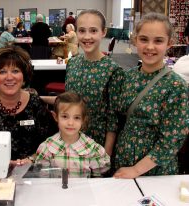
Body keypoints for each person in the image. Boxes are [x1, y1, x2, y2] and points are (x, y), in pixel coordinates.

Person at [113, 13, 188, 178]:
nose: (150, 47)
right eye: (144, 39)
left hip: (155, 170)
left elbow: (172, 140)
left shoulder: (175, 86)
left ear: (170, 43)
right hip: (123, 160)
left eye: (158, 41)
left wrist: (136, 170)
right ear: (135, 41)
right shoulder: (128, 76)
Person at [0, 46, 58, 164]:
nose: (9, 77)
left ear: (24, 76)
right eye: (2, 71)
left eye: (15, 71)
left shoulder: (35, 103)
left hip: (31, 173)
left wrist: (31, 159)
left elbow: (52, 142)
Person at [65, 9, 123, 156]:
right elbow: (69, 100)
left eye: (93, 31)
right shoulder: (72, 64)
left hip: (97, 143)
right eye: (82, 31)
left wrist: (107, 153)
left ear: (103, 32)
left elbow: (113, 119)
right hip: (71, 138)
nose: (87, 37)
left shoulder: (113, 70)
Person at [35, 92, 110, 177]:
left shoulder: (92, 149)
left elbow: (98, 180)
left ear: (83, 119)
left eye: (77, 118)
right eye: (65, 116)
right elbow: (43, 181)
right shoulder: (46, 148)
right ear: (55, 117)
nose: (70, 123)